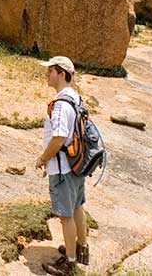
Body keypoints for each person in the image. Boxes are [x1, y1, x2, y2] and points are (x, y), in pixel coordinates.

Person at [35, 57, 89, 276]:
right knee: (77, 207)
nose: (47, 74)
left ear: (62, 74)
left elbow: (58, 138)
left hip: (63, 167)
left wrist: (42, 158)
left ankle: (70, 262)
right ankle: (82, 248)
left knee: (66, 215)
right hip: (77, 164)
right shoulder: (76, 98)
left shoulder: (60, 105)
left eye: (51, 71)